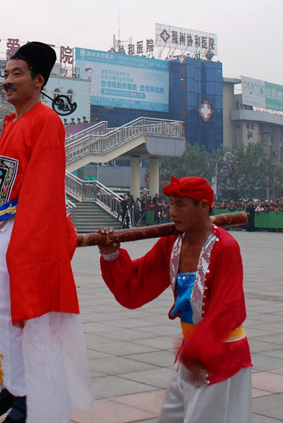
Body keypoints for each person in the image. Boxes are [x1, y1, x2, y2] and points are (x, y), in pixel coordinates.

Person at [0, 42, 92, 423]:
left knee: (15, 314)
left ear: (39, 81)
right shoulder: (12, 123)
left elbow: (43, 188)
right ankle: (11, 386)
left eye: (17, 75)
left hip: (23, 232)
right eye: (6, 74)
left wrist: (26, 248)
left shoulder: (46, 121)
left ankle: (26, 396)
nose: (7, 82)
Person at [98, 176, 252, 421]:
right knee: (171, 417)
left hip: (221, 353)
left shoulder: (226, 248)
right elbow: (139, 280)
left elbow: (228, 307)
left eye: (180, 205)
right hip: (191, 352)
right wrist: (111, 254)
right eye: (170, 204)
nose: (171, 212)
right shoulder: (172, 243)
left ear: (203, 206)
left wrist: (200, 349)